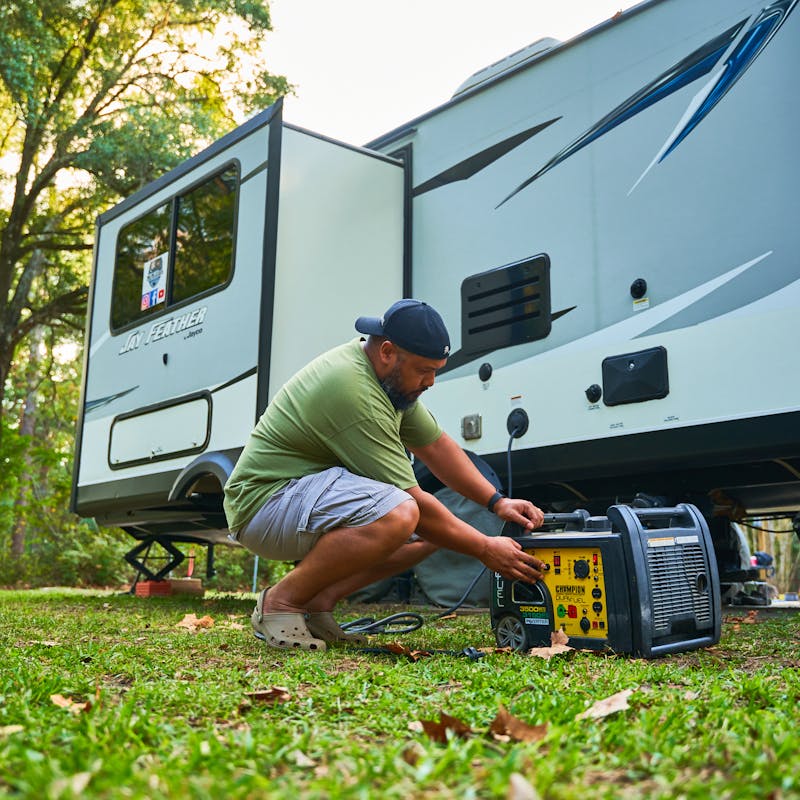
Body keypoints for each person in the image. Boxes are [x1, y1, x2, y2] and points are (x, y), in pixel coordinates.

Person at [223, 299, 546, 651]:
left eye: (436, 370)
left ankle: (317, 603)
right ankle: (280, 603)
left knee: (432, 534)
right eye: (425, 370)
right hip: (263, 504)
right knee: (401, 513)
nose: (431, 381)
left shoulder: (390, 383)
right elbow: (414, 501)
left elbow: (436, 447)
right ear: (388, 352)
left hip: (298, 500)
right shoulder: (352, 389)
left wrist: (497, 503)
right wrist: (485, 548)